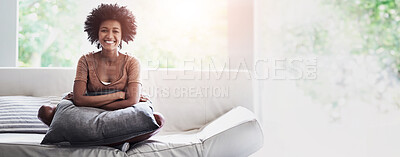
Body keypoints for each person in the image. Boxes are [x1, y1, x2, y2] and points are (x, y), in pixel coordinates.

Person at [37, 3, 164, 148]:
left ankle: (87, 139)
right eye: (104, 30)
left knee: (157, 120)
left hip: (117, 114)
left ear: (123, 35)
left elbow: (132, 101)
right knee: (46, 111)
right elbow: (78, 99)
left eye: (115, 31)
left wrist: (91, 101)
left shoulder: (132, 62)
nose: (109, 36)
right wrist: (117, 95)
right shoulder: (85, 60)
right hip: (89, 114)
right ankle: (117, 140)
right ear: (96, 33)